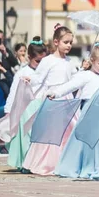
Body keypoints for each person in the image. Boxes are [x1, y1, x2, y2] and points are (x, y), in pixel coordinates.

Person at [53, 44, 99, 179]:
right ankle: (87, 166)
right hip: (89, 115)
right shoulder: (85, 76)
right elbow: (70, 86)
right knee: (87, 143)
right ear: (92, 61)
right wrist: (55, 93)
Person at [21, 26, 79, 175]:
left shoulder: (70, 61)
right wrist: (30, 79)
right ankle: (46, 163)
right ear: (56, 42)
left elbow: (75, 81)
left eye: (71, 42)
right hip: (53, 98)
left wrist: (83, 71)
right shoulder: (48, 60)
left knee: (69, 130)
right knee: (50, 132)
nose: (69, 45)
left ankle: (64, 162)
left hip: (67, 99)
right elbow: (39, 78)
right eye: (66, 42)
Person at [0, 37, 47, 169]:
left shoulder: (45, 72)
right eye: (38, 61)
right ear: (29, 57)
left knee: (40, 137)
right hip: (27, 108)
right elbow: (14, 92)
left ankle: (38, 163)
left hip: (42, 106)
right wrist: (8, 111)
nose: (40, 64)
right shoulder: (22, 72)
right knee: (27, 137)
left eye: (43, 61)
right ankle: (26, 163)